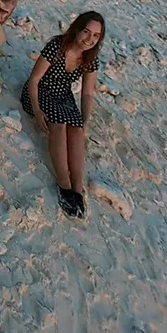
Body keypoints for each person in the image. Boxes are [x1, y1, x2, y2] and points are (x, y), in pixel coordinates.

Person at [22, 12, 105, 219]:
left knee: (76, 130)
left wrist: (85, 119)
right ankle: (64, 185)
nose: (89, 39)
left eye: (96, 35)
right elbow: (34, 80)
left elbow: (87, 92)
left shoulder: (90, 58)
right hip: (40, 90)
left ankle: (77, 190)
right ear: (77, 29)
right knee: (58, 127)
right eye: (86, 31)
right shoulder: (57, 47)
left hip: (63, 94)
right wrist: (38, 110)